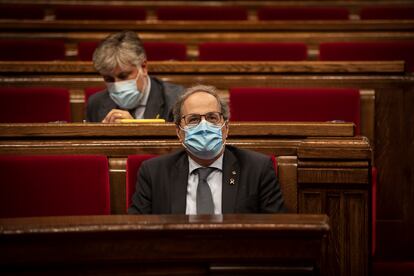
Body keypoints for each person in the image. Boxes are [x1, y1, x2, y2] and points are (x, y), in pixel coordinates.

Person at [128, 85, 285, 214]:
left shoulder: (257, 168)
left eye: (212, 118)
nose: (204, 127)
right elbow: (137, 232)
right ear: (179, 132)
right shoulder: (154, 172)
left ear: (226, 128)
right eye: (194, 119)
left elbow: (276, 232)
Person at [86, 31, 184, 123]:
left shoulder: (176, 100)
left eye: (123, 76)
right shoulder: (95, 104)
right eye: (109, 79)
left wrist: (134, 128)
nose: (116, 85)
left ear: (143, 67)